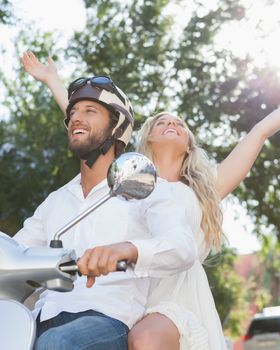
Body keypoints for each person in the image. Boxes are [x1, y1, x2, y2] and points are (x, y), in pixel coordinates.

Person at [21, 51, 280, 349]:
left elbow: (258, 133)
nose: (172, 124)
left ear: (189, 143)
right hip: (130, 287)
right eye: (162, 122)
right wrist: (54, 81)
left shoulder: (203, 186)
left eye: (179, 124)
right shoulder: (132, 177)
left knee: (137, 339)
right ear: (143, 138)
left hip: (175, 284)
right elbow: (91, 124)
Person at [14, 71, 197, 350]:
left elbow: (182, 248)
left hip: (108, 319)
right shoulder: (55, 201)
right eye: (73, 112)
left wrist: (126, 249)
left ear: (116, 127)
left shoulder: (148, 186)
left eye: (90, 111)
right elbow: (15, 253)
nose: (76, 117)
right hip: (38, 319)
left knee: (56, 343)